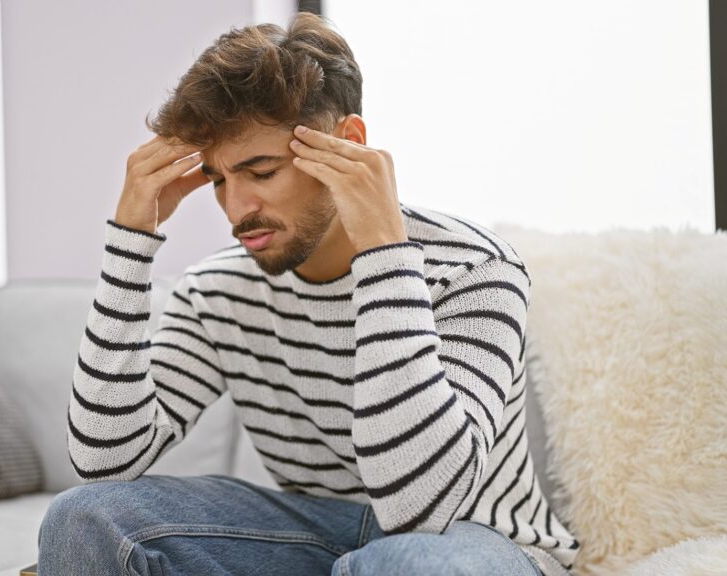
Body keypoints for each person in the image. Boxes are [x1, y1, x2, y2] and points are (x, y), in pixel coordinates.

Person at [37, 12, 578, 576]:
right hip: (316, 535)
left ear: (347, 144)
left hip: (473, 542)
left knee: (403, 565)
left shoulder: (472, 269)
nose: (236, 209)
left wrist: (383, 253)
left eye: (261, 171)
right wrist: (131, 242)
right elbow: (104, 460)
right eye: (219, 180)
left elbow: (420, 508)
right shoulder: (216, 293)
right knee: (83, 517)